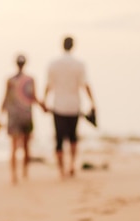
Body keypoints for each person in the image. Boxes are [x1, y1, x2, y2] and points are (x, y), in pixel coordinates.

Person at [43, 36, 96, 178]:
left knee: (59, 140)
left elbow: (49, 85)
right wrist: (93, 102)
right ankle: (72, 165)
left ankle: (61, 170)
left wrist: (44, 101)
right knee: (73, 137)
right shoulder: (79, 64)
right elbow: (85, 85)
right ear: (73, 46)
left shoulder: (53, 64)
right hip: (74, 105)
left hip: (58, 106)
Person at [0, 54, 45, 185]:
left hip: (13, 116)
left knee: (14, 146)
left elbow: (5, 98)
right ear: (25, 64)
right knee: (27, 146)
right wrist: (43, 107)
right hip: (26, 115)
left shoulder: (10, 80)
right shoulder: (30, 79)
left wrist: (0, 115)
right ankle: (25, 172)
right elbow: (34, 97)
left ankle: (13, 175)